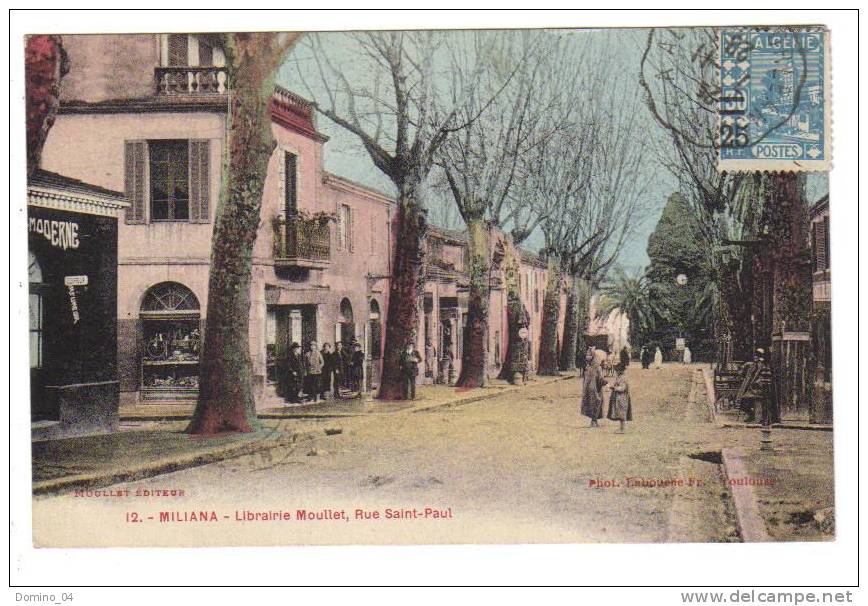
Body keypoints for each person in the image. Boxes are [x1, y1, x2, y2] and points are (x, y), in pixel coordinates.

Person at [736, 348, 780, 425]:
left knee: (751, 399)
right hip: (752, 389)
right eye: (754, 356)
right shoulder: (751, 365)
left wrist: (756, 384)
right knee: (741, 400)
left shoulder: (763, 365)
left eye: (757, 356)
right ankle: (751, 414)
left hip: (759, 389)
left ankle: (757, 417)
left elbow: (762, 379)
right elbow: (745, 375)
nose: (755, 357)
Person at [581, 354, 606, 427]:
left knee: (590, 404)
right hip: (596, 388)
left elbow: (585, 380)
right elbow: (600, 380)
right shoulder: (598, 368)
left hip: (588, 389)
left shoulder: (588, 368)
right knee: (597, 403)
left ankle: (594, 421)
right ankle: (594, 421)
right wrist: (606, 383)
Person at [607, 364, 633, 433]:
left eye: (617, 370)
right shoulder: (618, 377)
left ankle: (623, 428)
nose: (616, 372)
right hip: (618, 397)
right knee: (619, 411)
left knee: (622, 412)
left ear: (620, 371)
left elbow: (623, 388)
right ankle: (621, 428)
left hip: (622, 397)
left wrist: (615, 388)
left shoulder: (623, 378)